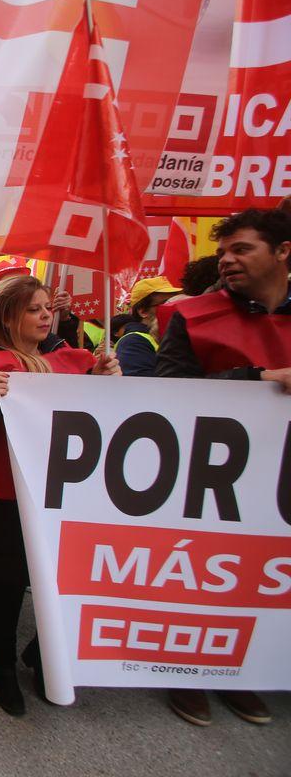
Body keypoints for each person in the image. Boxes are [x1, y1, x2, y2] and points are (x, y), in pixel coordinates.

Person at [0, 275, 120, 716]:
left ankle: (42, 657)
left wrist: (109, 381)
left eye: (47, 308)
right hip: (3, 499)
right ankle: (2, 666)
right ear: (9, 317)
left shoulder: (75, 363)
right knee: (6, 585)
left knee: (64, 581)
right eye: (33, 309)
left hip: (64, 497)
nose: (46, 315)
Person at [155, 207, 290, 728]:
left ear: (282, 252)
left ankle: (242, 667)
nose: (227, 260)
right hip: (210, 477)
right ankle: (186, 668)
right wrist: (257, 381)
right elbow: (167, 393)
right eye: (223, 251)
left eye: (242, 249)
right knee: (201, 571)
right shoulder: (193, 317)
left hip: (278, 480)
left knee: (262, 574)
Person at [116, 277, 182, 376]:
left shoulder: (173, 334)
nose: (172, 306)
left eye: (174, 301)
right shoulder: (133, 342)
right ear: (143, 311)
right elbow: (142, 383)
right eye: (165, 303)